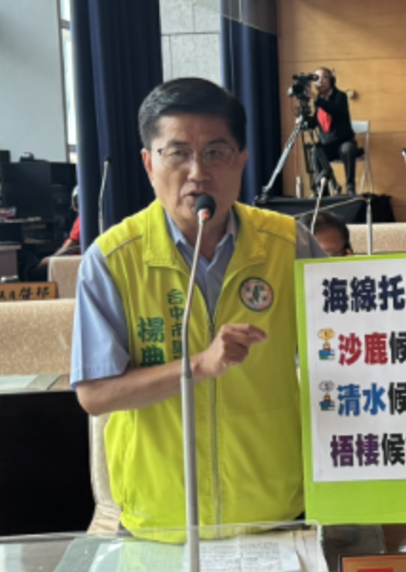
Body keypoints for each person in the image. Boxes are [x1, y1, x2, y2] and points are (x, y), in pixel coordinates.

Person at [70, 78, 329, 534]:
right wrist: (199, 366)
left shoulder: (289, 244)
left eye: (215, 152)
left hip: (274, 513)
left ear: (241, 159)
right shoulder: (113, 259)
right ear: (149, 164)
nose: (197, 173)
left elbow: (359, 331)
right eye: (178, 154)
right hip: (160, 524)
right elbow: (96, 395)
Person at [308, 67, 360, 195]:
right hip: (328, 145)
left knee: (348, 149)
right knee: (315, 152)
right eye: (317, 79)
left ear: (331, 80)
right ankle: (323, 190)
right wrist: (303, 119)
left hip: (344, 142)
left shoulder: (340, 96)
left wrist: (318, 100)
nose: (320, 81)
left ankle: (350, 187)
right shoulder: (318, 101)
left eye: (324, 77)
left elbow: (335, 110)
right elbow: (315, 122)